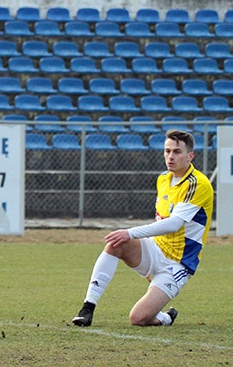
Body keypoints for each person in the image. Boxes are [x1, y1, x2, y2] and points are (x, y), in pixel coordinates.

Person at [72, 129, 213, 328]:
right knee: (116, 243)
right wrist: (144, 257)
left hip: (177, 263)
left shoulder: (197, 184)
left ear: (190, 156)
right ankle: (87, 308)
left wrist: (130, 232)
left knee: (138, 318)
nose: (170, 156)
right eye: (167, 151)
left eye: (177, 152)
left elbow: (174, 224)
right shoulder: (163, 179)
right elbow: (160, 219)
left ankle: (166, 317)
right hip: (154, 250)